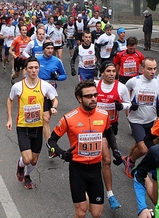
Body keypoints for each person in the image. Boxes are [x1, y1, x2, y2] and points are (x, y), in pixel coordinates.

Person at [47, 79, 121, 218]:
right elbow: (51, 142)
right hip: (77, 169)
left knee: (96, 213)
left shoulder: (104, 115)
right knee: (81, 212)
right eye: (88, 96)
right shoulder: (68, 118)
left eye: (95, 95)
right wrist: (61, 153)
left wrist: (115, 150)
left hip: (95, 169)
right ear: (79, 98)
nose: (93, 99)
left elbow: (109, 132)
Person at [6, 57, 58, 189]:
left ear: (39, 69)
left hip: (38, 127)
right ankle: (20, 165)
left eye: (36, 68)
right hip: (23, 127)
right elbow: (10, 100)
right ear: (26, 69)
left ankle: (27, 176)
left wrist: (53, 107)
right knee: (27, 159)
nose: (33, 70)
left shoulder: (45, 85)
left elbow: (54, 99)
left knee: (34, 161)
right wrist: (10, 119)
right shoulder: (18, 86)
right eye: (30, 68)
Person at [122, 57, 159, 178]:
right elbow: (123, 93)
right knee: (143, 149)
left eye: (154, 69)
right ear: (142, 69)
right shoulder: (134, 81)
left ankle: (127, 157)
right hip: (136, 120)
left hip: (152, 120)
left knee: (141, 143)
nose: (153, 71)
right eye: (149, 69)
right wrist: (129, 104)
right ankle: (130, 162)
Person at [96, 61, 131, 210]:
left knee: (105, 159)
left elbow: (129, 103)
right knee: (107, 159)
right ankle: (110, 195)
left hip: (111, 127)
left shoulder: (121, 87)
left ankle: (106, 191)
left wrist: (121, 106)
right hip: (95, 127)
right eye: (108, 71)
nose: (111, 74)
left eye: (113, 71)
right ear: (102, 72)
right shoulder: (95, 85)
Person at [37, 40, 67, 158]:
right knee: (46, 119)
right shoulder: (37, 60)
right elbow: (29, 72)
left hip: (51, 94)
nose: (50, 50)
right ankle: (51, 147)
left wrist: (58, 77)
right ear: (43, 49)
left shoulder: (57, 61)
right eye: (48, 48)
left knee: (46, 120)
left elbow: (64, 75)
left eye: (51, 48)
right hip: (39, 94)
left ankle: (48, 141)